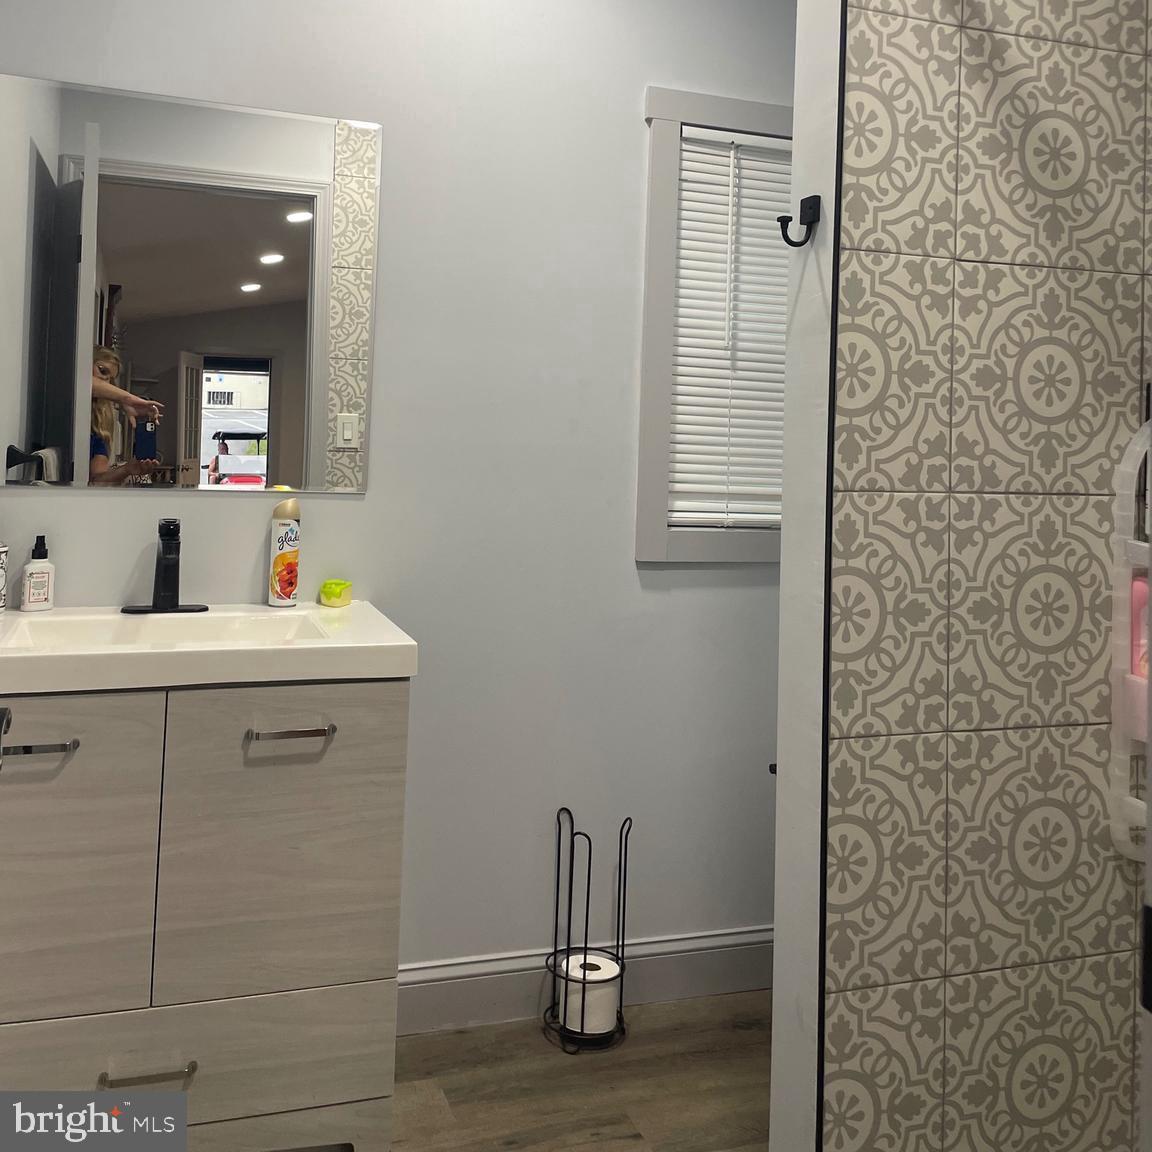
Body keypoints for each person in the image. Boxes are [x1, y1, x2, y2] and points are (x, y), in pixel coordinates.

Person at [88, 347, 162, 485]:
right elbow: (83, 382)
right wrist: (126, 399)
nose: (104, 380)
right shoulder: (67, 387)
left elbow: (96, 480)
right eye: (102, 370)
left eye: (110, 379)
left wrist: (127, 469)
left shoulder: (101, 423)